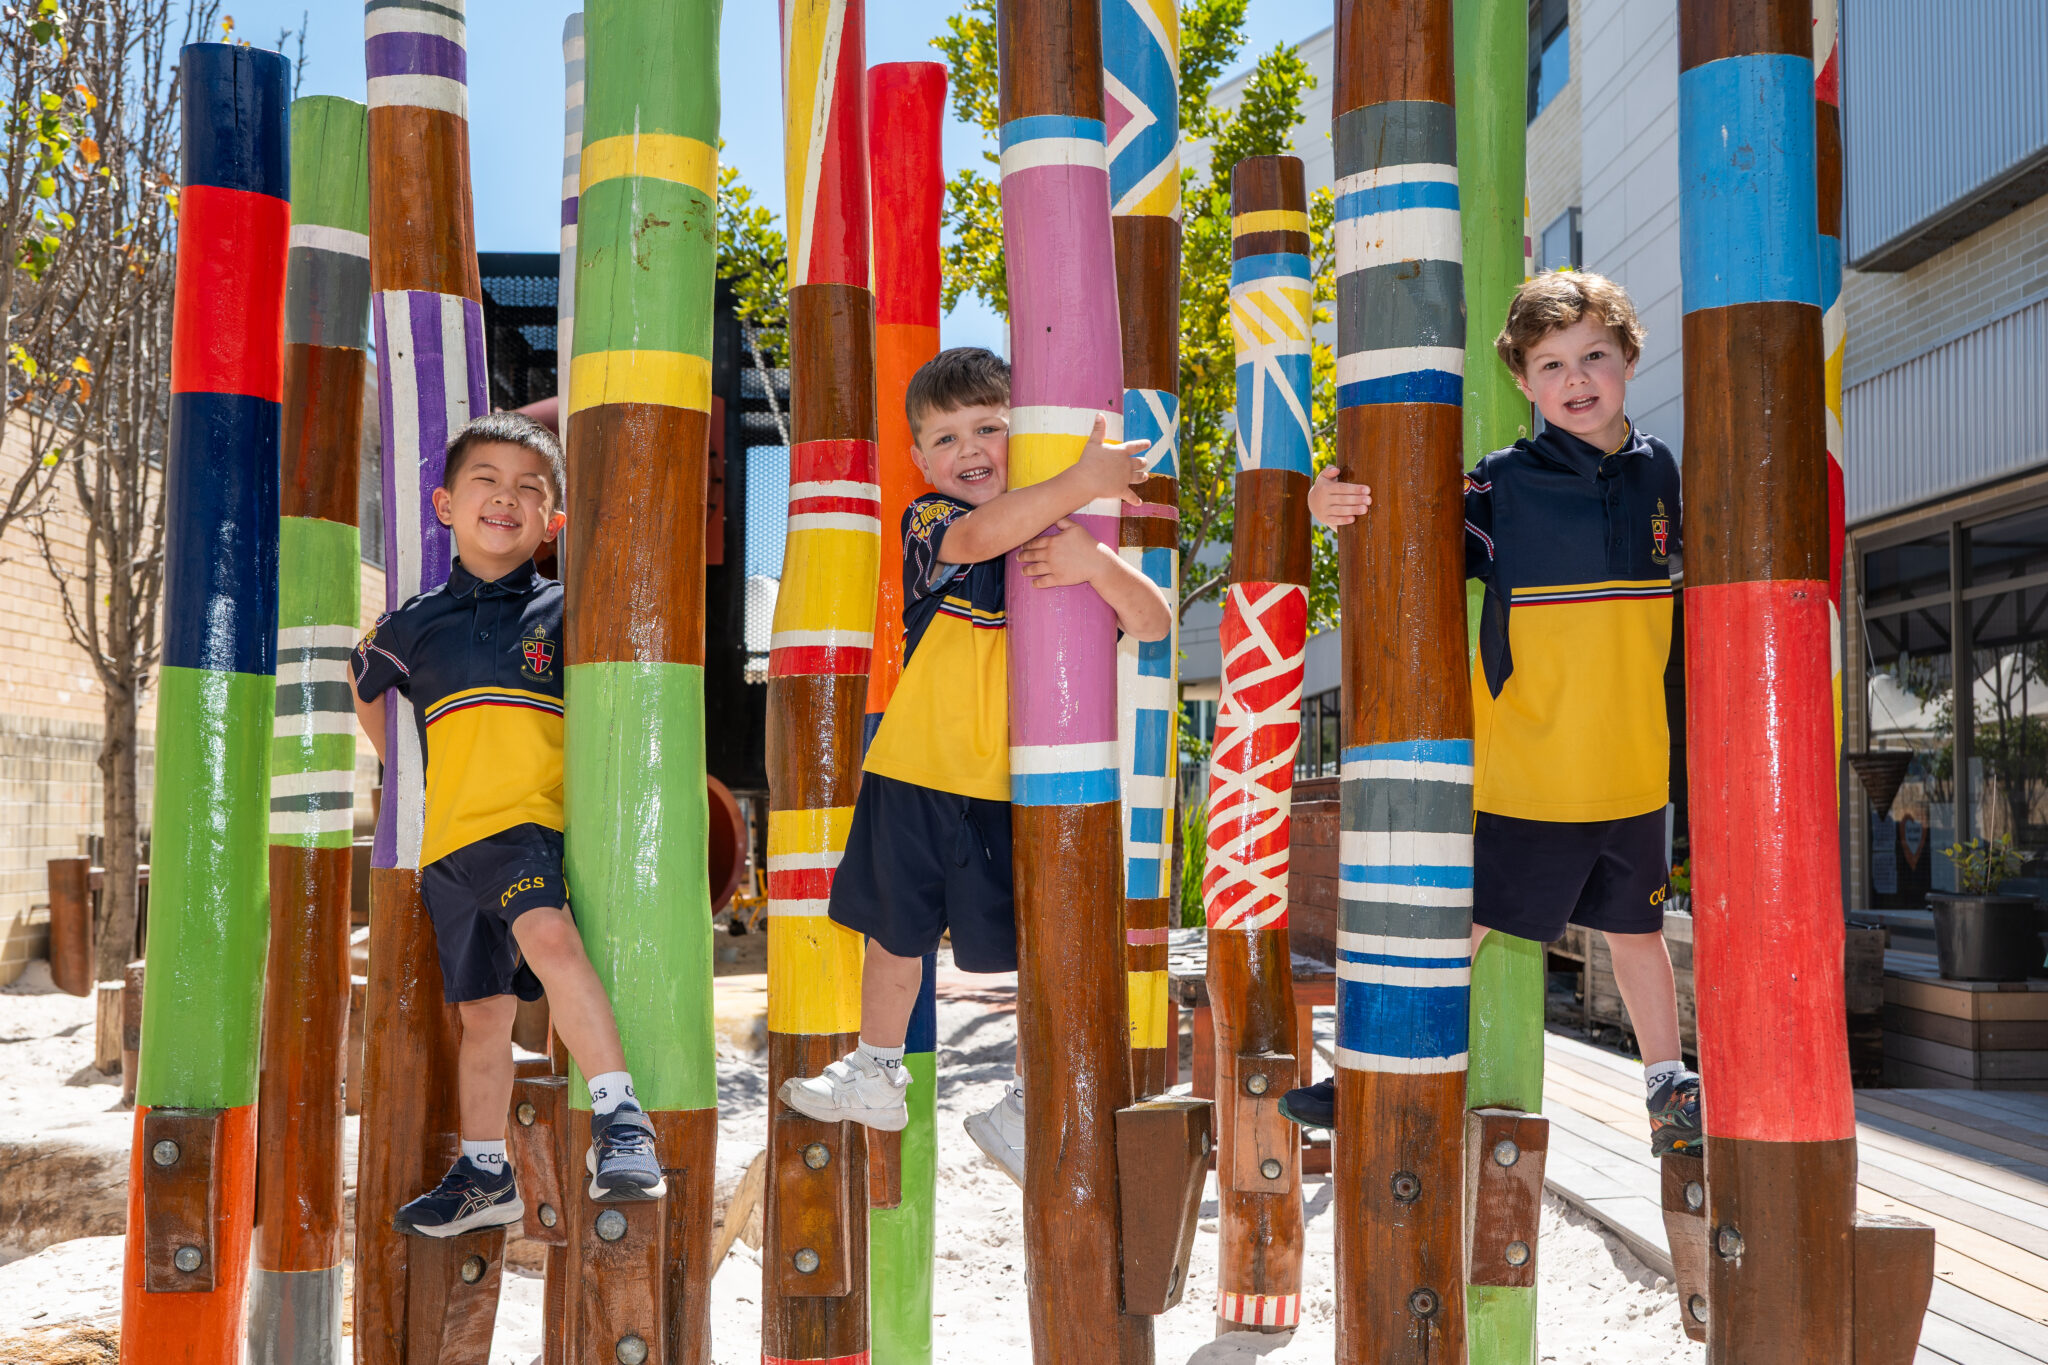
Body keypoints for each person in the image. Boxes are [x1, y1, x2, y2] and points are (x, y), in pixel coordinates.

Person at [1283, 271, 1703, 1157]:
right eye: (1552, 363)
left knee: (1639, 935)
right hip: (1531, 768)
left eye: (1594, 355)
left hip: (1633, 764)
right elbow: (1401, 527)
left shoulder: (1665, 472)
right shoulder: (1502, 487)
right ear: (1522, 378)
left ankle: (1670, 1088)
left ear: (1630, 356)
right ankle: (1370, 1065)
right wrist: (1325, 505)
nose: (1577, 378)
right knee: (1462, 927)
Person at [777, 347, 1173, 1183]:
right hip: (918, 765)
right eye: (946, 437)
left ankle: (1031, 1095)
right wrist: (1079, 481)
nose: (970, 449)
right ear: (922, 460)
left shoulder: (1072, 540)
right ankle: (878, 1066)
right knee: (895, 932)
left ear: (1019, 435)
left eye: (989, 427)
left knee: (1037, 946)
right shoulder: (931, 521)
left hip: (1020, 788)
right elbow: (982, 532)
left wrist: (1095, 562)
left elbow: (1154, 620)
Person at [352, 411, 664, 1237]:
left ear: (554, 523)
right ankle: (485, 1171)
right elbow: (363, 684)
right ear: (445, 503)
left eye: (531, 489)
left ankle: (622, 1119)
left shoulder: (570, 609)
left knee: (552, 941)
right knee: (481, 1015)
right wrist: (406, 769)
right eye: (486, 480)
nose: (507, 497)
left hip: (530, 828)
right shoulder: (413, 622)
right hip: (448, 847)